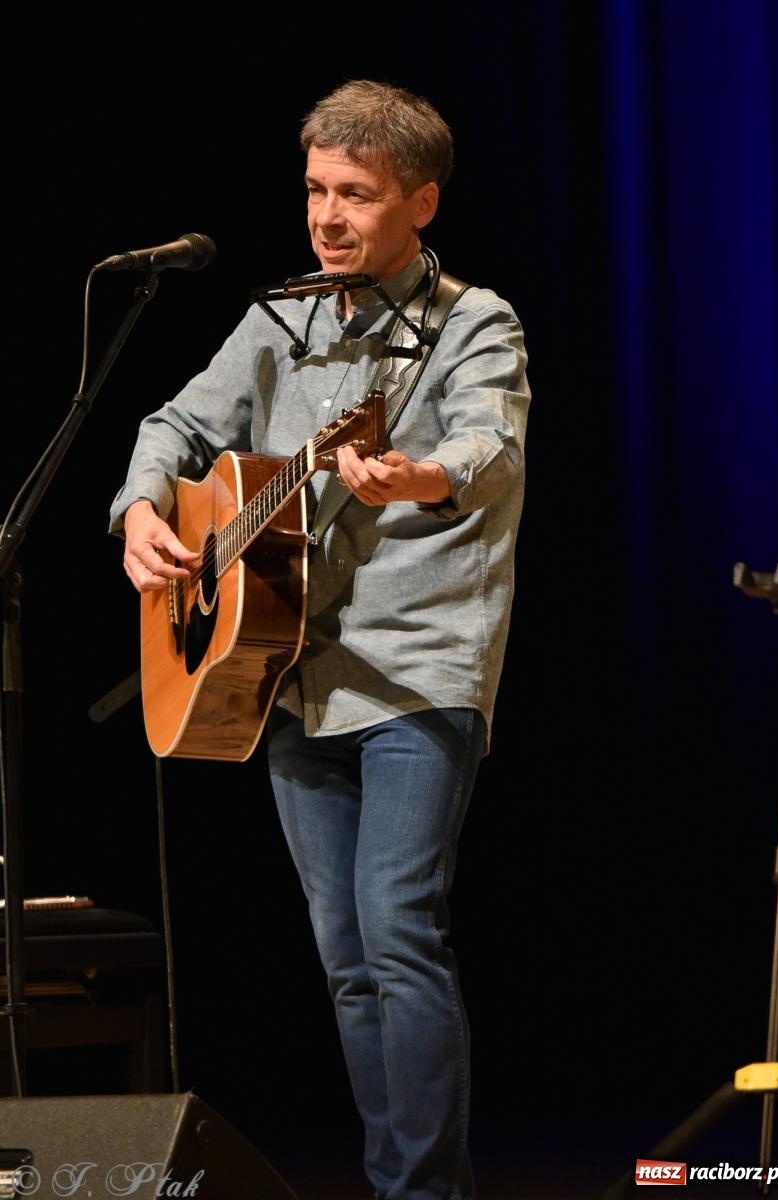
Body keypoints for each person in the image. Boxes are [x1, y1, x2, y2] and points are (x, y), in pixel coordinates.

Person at [110, 79, 530, 1200]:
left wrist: (418, 473)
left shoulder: (472, 323)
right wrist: (145, 512)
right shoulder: (281, 320)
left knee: (397, 928)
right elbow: (176, 425)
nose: (326, 216)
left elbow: (488, 447)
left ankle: (421, 1193)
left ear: (420, 202)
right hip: (292, 675)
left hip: (416, 670)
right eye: (314, 190)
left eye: (356, 194)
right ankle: (391, 1179)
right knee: (345, 963)